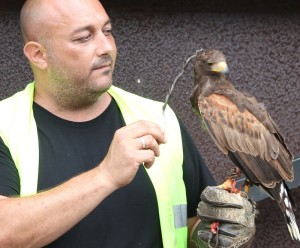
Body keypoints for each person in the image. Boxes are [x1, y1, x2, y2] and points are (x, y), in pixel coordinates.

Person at [0, 0, 256, 247]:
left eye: (107, 31)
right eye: (83, 38)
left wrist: (215, 234)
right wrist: (106, 175)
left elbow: (189, 223)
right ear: (39, 54)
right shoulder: (6, 125)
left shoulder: (159, 117)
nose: (105, 47)